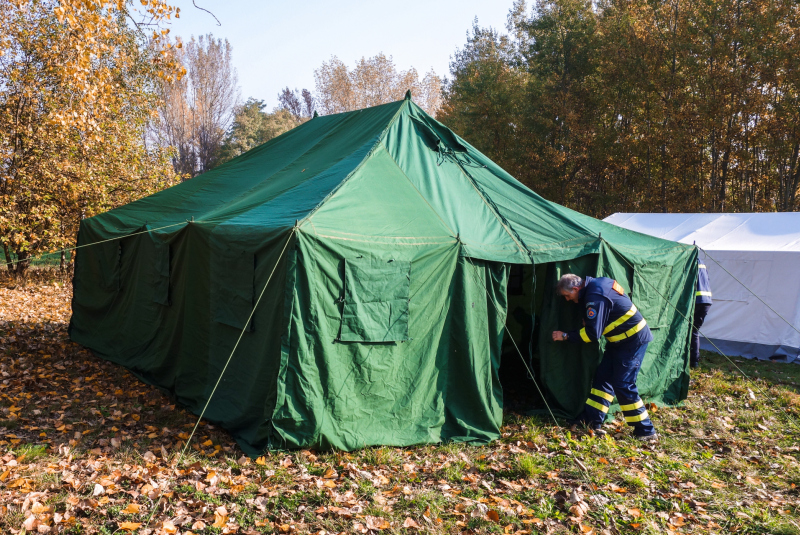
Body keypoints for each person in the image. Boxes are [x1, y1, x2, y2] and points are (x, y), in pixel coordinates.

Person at [551, 273, 658, 441]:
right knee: (602, 379)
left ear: (575, 288)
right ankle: (592, 419)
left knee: (623, 384)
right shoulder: (596, 285)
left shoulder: (595, 296)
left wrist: (565, 336)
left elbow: (593, 334)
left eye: (567, 295)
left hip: (632, 341)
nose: (567, 300)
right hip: (618, 342)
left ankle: (645, 430)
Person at [692, 256, 713, 368]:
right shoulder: (702, 262)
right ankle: (694, 360)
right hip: (707, 301)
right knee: (694, 332)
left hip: (696, 301)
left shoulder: (689, 260)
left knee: (689, 331)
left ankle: (691, 360)